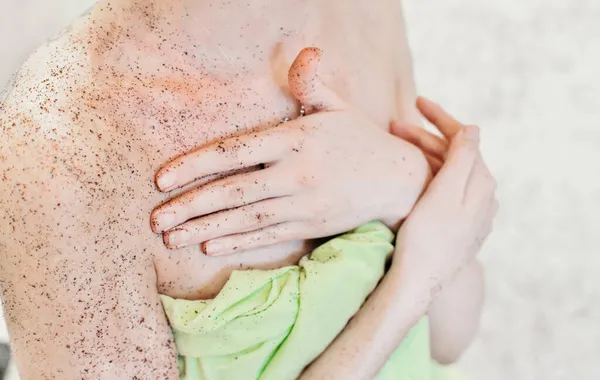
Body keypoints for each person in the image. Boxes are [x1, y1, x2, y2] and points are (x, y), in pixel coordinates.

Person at [0, 0, 496, 378]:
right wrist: (412, 283)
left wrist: (404, 181)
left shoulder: (363, 11)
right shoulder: (62, 149)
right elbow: (436, 272)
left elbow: (450, 336)